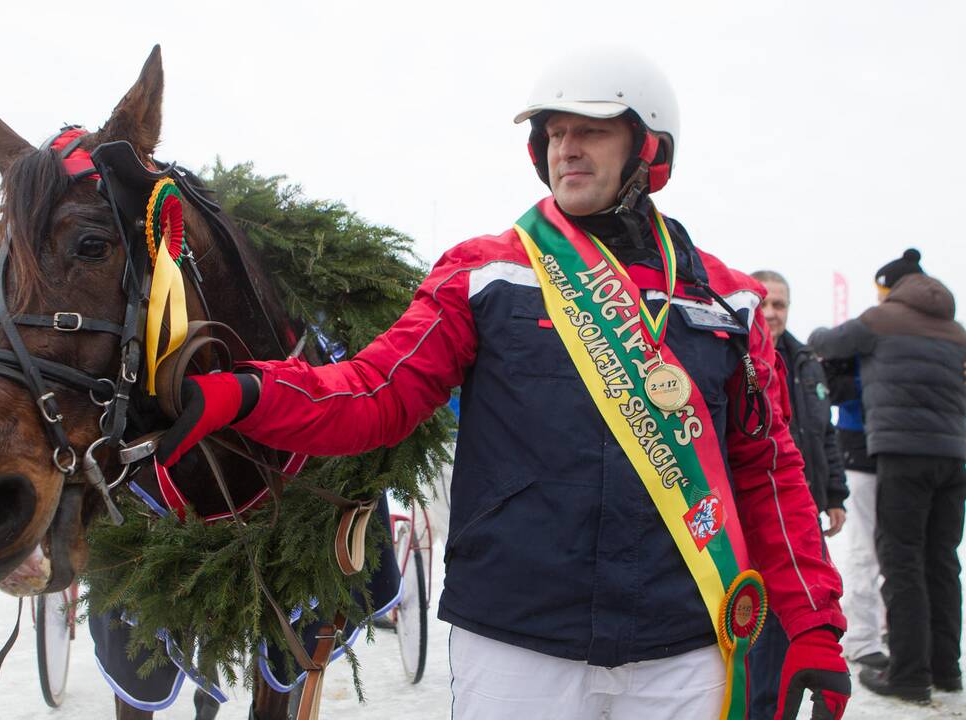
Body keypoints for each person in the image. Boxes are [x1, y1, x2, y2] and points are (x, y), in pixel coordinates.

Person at [157, 47, 850, 719]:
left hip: (683, 641)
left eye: (591, 131)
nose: (566, 148)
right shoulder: (485, 273)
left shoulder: (729, 302)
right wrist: (243, 392)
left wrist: (813, 625)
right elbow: (377, 392)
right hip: (518, 638)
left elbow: (767, 470)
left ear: (647, 147)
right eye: (554, 133)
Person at [810, 248, 966, 703]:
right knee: (943, 562)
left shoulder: (882, 319)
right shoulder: (956, 331)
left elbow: (827, 342)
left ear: (892, 288)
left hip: (902, 455)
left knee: (902, 561)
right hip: (955, 458)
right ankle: (946, 669)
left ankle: (909, 675)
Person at [747, 270, 849, 720]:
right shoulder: (740, 354)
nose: (771, 313)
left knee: (798, 612)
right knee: (759, 618)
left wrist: (835, 495)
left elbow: (826, 433)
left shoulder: (806, 361)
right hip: (755, 513)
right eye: (765, 303)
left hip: (803, 508)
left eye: (780, 305)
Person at [824, 340, 888, 671]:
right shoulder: (861, 339)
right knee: (866, 550)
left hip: (895, 457)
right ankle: (862, 635)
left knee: (894, 552)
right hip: (860, 455)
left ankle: (880, 626)